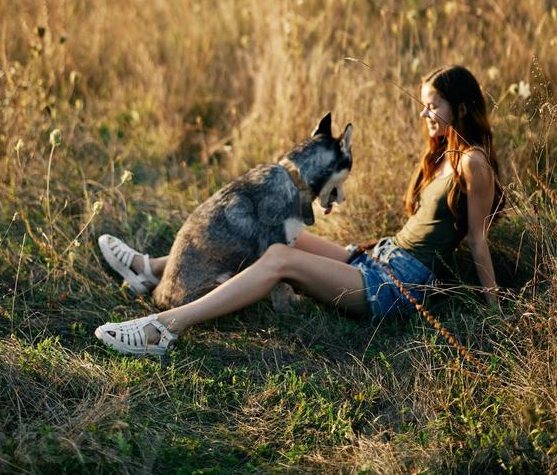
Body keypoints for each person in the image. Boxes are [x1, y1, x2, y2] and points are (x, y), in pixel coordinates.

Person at [94, 64, 506, 357]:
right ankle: (151, 268)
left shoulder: (472, 163)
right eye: (424, 105)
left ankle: (164, 328)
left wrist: (495, 313)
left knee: (277, 256)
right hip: (378, 258)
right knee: (281, 230)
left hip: (395, 287)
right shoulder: (441, 156)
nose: (424, 114)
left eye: (433, 106)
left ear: (461, 107)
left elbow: (477, 241)